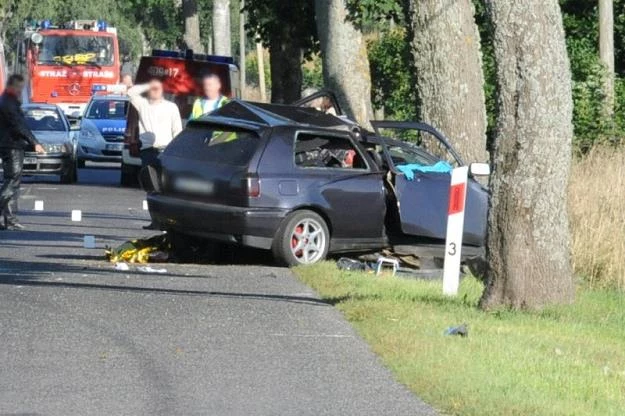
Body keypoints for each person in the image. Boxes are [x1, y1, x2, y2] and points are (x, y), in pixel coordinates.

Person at [127, 79, 182, 229]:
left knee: (165, 188)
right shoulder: (143, 105)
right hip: (148, 151)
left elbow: (177, 131)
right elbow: (130, 92)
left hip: (166, 151)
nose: (155, 91)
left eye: (158, 88)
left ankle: (167, 220)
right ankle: (155, 220)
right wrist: (146, 84)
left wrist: (176, 151)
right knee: (151, 187)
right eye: (152, 88)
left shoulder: (171, 107)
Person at [0, 74, 45, 230]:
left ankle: (9, 220)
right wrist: (35, 143)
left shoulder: (8, 101)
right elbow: (18, 125)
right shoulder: (8, 103)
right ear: (12, 86)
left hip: (10, 145)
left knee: (11, 182)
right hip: (11, 146)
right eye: (19, 87)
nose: (21, 90)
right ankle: (8, 218)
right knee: (12, 181)